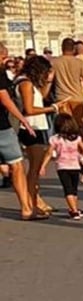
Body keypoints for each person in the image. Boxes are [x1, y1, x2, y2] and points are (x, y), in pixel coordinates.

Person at [16, 54, 58, 218]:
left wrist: (49, 81)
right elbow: (30, 109)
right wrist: (53, 108)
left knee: (35, 167)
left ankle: (35, 200)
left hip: (37, 126)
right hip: (31, 127)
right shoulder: (25, 83)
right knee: (34, 169)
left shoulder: (29, 83)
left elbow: (42, 97)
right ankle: (32, 202)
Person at [0, 45, 35, 218]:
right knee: (17, 165)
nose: (5, 60)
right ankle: (26, 208)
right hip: (2, 127)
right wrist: (23, 120)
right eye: (3, 57)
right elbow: (5, 99)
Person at [51, 39, 83, 144]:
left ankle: (65, 146)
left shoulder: (54, 62)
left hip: (61, 98)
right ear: (73, 49)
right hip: (77, 98)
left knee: (64, 126)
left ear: (61, 48)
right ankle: (81, 146)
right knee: (79, 125)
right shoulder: (79, 63)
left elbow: (50, 80)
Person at [48, 110, 83, 219]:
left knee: (67, 189)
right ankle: (74, 208)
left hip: (62, 167)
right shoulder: (77, 138)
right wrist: (78, 154)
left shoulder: (55, 139)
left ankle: (74, 210)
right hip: (75, 166)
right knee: (74, 189)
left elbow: (49, 153)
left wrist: (43, 166)